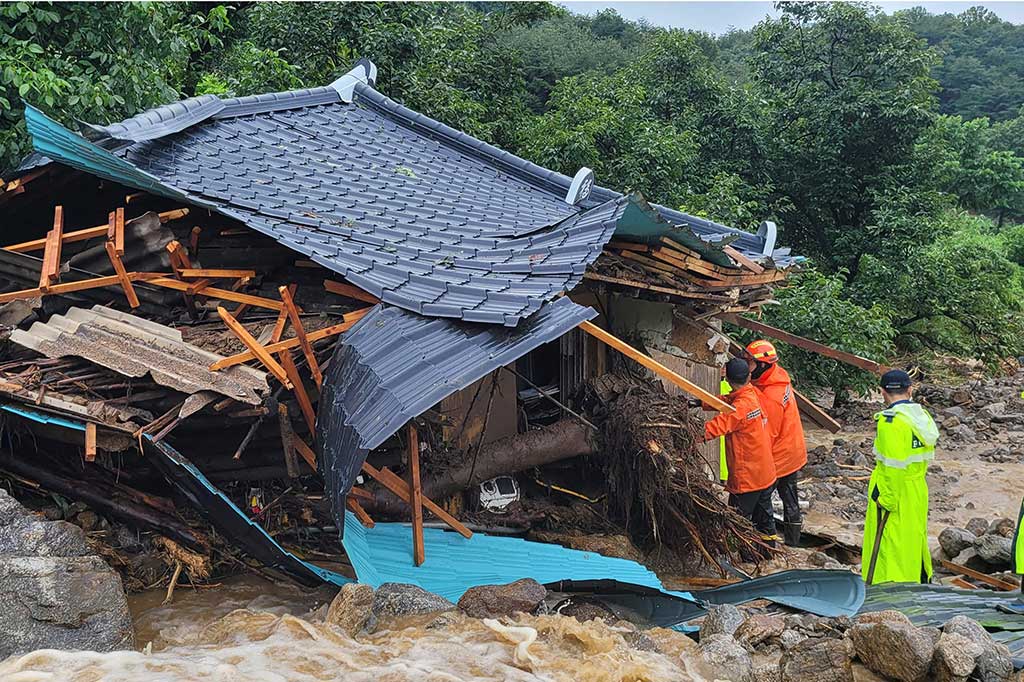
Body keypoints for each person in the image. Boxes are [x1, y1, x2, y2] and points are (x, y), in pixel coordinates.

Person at [862, 369, 938, 585]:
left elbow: (892, 467)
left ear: (882, 392)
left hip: (894, 492)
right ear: (910, 390)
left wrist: (884, 499)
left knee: (889, 542)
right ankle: (917, 580)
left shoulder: (891, 422)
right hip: (917, 489)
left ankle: (886, 587)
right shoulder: (922, 418)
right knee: (913, 540)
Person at [704, 358, 778, 540]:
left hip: (748, 478)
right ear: (749, 376)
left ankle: (743, 560)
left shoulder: (740, 408)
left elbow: (714, 428)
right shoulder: (752, 394)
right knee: (764, 520)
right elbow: (729, 401)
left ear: (727, 380)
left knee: (738, 523)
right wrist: (701, 403)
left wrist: (687, 433)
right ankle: (769, 557)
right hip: (766, 472)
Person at [746, 340, 808, 547]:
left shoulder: (772, 396)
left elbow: (766, 433)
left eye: (749, 362)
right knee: (790, 497)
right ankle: (794, 543)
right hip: (792, 448)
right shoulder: (775, 377)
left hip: (781, 453)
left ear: (763, 365)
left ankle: (767, 544)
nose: (746, 366)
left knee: (762, 499)